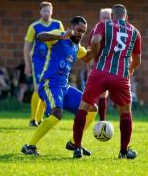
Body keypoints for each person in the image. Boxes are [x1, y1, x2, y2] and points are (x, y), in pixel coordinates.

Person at [72, 4, 142, 159]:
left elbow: (96, 41)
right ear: (126, 17)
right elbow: (137, 60)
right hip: (120, 76)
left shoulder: (104, 25)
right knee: (125, 112)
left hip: (100, 72)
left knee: (83, 107)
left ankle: (77, 147)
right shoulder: (135, 32)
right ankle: (123, 151)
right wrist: (130, 70)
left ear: (112, 16)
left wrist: (94, 56)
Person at [21, 16, 97, 156]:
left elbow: (87, 57)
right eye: (79, 30)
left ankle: (74, 143)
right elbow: (40, 36)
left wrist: (99, 48)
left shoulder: (76, 47)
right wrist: (62, 36)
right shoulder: (59, 34)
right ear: (71, 27)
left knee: (92, 108)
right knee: (57, 113)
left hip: (64, 87)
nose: (81, 34)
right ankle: (29, 146)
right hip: (49, 84)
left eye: (84, 32)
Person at [24, 1, 65, 127]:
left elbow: (64, 40)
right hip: (38, 61)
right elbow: (27, 46)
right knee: (37, 88)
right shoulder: (34, 26)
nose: (46, 13)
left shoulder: (58, 24)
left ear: (52, 11)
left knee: (47, 89)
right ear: (40, 12)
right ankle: (32, 119)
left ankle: (40, 118)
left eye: (48, 10)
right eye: (44, 10)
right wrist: (27, 64)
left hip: (53, 61)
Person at [86, 8, 112, 121]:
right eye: (104, 18)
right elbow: (89, 51)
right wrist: (89, 69)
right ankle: (87, 117)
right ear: (99, 18)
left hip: (111, 66)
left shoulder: (115, 31)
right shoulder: (95, 31)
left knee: (103, 94)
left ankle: (102, 120)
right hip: (97, 65)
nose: (106, 20)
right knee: (93, 93)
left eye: (108, 18)